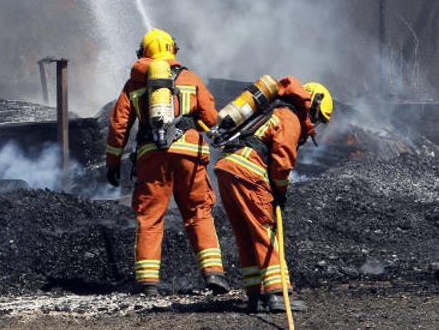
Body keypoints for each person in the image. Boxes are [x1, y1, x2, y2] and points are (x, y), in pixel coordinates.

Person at [105, 28, 229, 296]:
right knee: (198, 211)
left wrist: (113, 163)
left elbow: (119, 127)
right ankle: (214, 274)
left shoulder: (134, 85)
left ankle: (149, 283)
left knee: (150, 217)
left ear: (143, 52)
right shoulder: (191, 78)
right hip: (190, 153)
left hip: (153, 155)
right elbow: (210, 118)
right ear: (172, 50)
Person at [214, 77, 333, 313]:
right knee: (264, 231)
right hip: (247, 171)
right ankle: (278, 294)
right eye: (318, 118)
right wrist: (280, 191)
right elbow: (282, 160)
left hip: (227, 168)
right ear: (313, 105)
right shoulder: (290, 116)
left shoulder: (272, 110)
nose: (315, 124)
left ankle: (254, 295)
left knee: (247, 234)